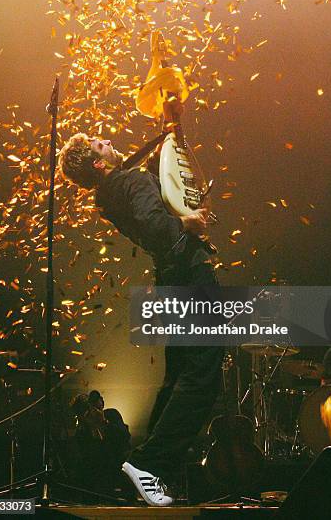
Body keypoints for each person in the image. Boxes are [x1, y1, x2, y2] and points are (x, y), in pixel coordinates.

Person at [59, 132, 224, 506]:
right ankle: (149, 463)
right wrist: (188, 224)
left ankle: (151, 470)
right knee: (202, 374)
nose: (108, 140)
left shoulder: (112, 191)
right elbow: (155, 223)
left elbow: (161, 176)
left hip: (171, 277)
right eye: (100, 145)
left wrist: (172, 125)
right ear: (99, 163)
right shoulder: (129, 181)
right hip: (187, 273)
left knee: (181, 375)